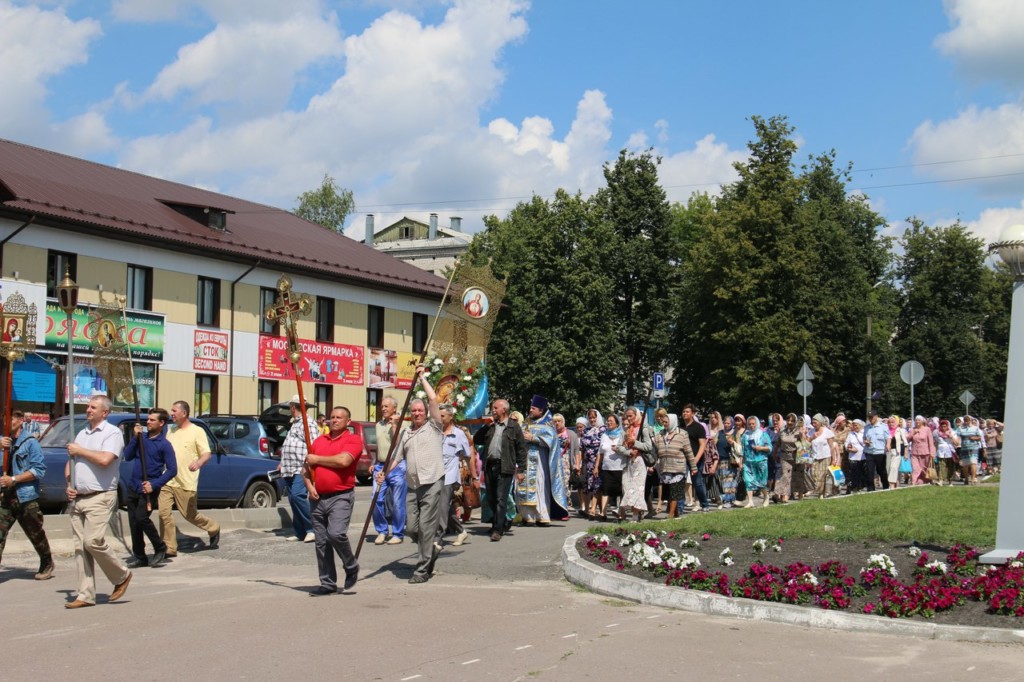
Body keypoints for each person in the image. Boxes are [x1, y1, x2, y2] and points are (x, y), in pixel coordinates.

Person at [64, 396, 132, 608]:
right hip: (79, 498)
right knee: (80, 548)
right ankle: (85, 594)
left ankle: (121, 575)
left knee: (92, 541)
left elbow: (104, 460)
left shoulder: (112, 433)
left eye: (93, 407)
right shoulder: (82, 433)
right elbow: (71, 462)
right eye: (88, 406)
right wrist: (69, 482)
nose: (88, 410)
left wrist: (79, 451)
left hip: (100, 496)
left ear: (105, 412)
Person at [394, 366, 445, 583]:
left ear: (425, 413)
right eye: (413, 411)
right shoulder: (406, 432)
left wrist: (422, 377)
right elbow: (396, 458)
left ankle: (422, 570)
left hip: (432, 482)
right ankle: (430, 549)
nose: (416, 413)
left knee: (425, 527)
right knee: (412, 528)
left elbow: (433, 399)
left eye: (420, 411)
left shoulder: (434, 426)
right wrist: (382, 474)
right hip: (413, 484)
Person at [303, 406, 361, 596]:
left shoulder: (353, 440)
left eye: (339, 417)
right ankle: (327, 582)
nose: (334, 420)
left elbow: (343, 461)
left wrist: (317, 459)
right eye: (332, 417)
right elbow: (306, 469)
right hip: (317, 498)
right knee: (321, 542)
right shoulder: (319, 441)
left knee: (336, 534)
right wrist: (309, 487)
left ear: (348, 422)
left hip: (341, 497)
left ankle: (350, 565)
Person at [160, 400, 221, 556]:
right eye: (171, 410)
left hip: (186, 481)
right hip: (167, 480)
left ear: (184, 413)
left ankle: (213, 528)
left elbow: (206, 453)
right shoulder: (170, 430)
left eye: (174, 411)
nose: (171, 413)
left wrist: (198, 463)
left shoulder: (197, 431)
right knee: (163, 513)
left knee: (190, 515)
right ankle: (169, 548)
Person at [0, 409, 55, 580]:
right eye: (4, 420)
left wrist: (14, 479)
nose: (7, 423)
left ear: (20, 420)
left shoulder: (31, 443)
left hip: (25, 496)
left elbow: (39, 470)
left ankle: (47, 562)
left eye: (10, 419)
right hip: (5, 497)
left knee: (35, 533)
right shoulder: (3, 442)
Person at [122, 408, 177, 568]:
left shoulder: (165, 445)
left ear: (161, 423)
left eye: (152, 420)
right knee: (133, 522)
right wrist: (135, 437)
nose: (148, 422)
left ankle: (160, 547)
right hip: (134, 485)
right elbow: (128, 455)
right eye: (148, 419)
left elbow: (173, 470)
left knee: (141, 518)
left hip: (149, 487)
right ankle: (140, 556)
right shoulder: (141, 438)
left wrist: (155, 484)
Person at [518, 394, 565, 526]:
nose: (530, 410)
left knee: (539, 486)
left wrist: (534, 438)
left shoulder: (548, 425)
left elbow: (553, 441)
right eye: (530, 408)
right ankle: (528, 516)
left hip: (540, 461)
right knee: (524, 487)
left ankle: (542, 515)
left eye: (533, 408)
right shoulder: (526, 423)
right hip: (525, 460)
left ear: (541, 411)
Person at [278, 396, 316, 543]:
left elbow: (313, 444)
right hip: (289, 467)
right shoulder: (295, 423)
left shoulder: (308, 423)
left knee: (297, 496)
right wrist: (282, 463)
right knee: (293, 500)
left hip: (301, 467)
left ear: (293, 407)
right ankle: (300, 531)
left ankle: (311, 528)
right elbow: (290, 444)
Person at [372, 396, 407, 545]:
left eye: (387, 406)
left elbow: (399, 445)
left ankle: (398, 533)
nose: (384, 409)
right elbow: (380, 446)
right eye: (382, 406)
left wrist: (395, 425)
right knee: (376, 499)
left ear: (394, 408)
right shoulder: (378, 425)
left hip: (397, 466)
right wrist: (374, 462)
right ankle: (382, 530)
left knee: (397, 502)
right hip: (381, 465)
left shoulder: (403, 424)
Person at [436, 403, 471, 548]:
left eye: (442, 416)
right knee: (445, 507)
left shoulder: (459, 434)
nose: (439, 418)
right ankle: (461, 530)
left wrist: (470, 475)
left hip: (450, 476)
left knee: (442, 507)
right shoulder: (435, 432)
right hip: (435, 475)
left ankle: (437, 538)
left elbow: (468, 455)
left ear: (451, 417)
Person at [653, 413, 695, 519]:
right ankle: (676, 514)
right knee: (669, 493)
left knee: (675, 492)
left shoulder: (682, 434)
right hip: (665, 467)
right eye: (664, 422)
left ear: (672, 422)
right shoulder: (660, 434)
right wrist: (652, 464)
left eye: (666, 422)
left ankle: (670, 515)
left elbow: (688, 451)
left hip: (678, 468)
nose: (664, 424)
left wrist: (693, 467)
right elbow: (655, 451)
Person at [618, 406, 655, 521]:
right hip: (628, 462)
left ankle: (634, 516)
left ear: (636, 415)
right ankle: (637, 513)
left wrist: (635, 442)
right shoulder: (625, 430)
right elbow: (619, 446)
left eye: (631, 416)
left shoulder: (643, 429)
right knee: (627, 487)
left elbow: (648, 446)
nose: (628, 418)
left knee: (637, 489)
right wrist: (629, 452)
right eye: (627, 416)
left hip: (640, 462)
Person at [681, 405, 709, 512]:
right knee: (681, 483)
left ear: (693, 414)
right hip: (683, 460)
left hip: (696, 459)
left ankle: (704, 504)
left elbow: (702, 444)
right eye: (683, 412)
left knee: (697, 482)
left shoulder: (698, 427)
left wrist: (696, 458)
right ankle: (680, 506)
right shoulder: (681, 428)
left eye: (687, 412)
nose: (685, 413)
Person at [597, 414, 625, 519]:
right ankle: (603, 513)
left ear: (617, 423)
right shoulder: (604, 435)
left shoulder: (622, 434)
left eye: (611, 421)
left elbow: (626, 449)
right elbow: (600, 452)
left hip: (619, 467)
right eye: (608, 421)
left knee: (620, 491)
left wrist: (618, 449)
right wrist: (597, 466)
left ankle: (621, 513)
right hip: (606, 467)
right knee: (605, 490)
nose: (608, 423)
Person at [578, 409, 605, 519]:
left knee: (596, 485)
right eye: (590, 417)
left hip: (598, 461)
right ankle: (587, 509)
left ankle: (594, 509)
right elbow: (581, 448)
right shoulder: (586, 430)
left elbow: (603, 447)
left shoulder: (602, 429)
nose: (592, 419)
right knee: (586, 486)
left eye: (594, 417)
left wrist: (597, 464)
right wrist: (579, 463)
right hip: (587, 462)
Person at [740, 416, 772, 508]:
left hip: (761, 460)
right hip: (749, 461)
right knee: (748, 481)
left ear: (757, 424)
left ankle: (766, 496)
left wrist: (761, 448)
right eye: (749, 424)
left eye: (753, 424)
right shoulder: (746, 435)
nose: (751, 425)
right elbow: (743, 449)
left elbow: (770, 447)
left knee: (761, 482)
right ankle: (750, 501)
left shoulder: (763, 434)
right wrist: (741, 461)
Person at [553, 413, 579, 514]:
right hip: (554, 461)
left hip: (565, 462)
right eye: (555, 421)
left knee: (565, 483)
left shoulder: (570, 433)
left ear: (563, 422)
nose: (557, 423)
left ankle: (565, 503)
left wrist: (577, 464)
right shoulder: (552, 433)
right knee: (555, 483)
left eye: (559, 421)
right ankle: (556, 504)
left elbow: (576, 450)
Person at [809, 413, 838, 498]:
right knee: (813, 475)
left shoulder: (827, 432)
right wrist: (812, 438)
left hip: (825, 456)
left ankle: (821, 493)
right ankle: (819, 491)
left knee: (822, 475)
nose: (813, 424)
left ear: (820, 422)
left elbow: (832, 447)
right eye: (812, 422)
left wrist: (833, 459)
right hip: (814, 456)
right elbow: (806, 443)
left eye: (815, 422)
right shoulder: (811, 432)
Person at [862, 411, 890, 491]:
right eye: (869, 417)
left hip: (880, 452)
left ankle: (885, 486)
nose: (870, 419)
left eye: (872, 417)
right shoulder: (866, 427)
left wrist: (888, 445)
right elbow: (864, 438)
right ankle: (870, 489)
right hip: (869, 452)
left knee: (881, 470)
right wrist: (865, 441)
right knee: (869, 471)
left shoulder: (883, 426)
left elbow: (888, 437)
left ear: (876, 417)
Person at [717, 415, 740, 507]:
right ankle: (727, 498)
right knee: (724, 480)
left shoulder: (735, 434)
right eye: (725, 423)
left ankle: (729, 499)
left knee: (731, 480)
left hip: (731, 460)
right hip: (721, 460)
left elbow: (740, 447)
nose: (726, 425)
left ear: (732, 424)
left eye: (728, 423)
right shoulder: (720, 433)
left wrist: (733, 443)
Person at [908, 415, 936, 486]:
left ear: (922, 421)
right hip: (914, 453)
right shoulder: (912, 429)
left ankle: (926, 481)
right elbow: (907, 439)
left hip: (925, 452)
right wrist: (913, 433)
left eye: (919, 420)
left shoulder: (927, 429)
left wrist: (932, 453)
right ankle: (913, 482)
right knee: (915, 468)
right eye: (916, 420)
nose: (917, 422)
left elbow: (931, 442)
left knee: (925, 469)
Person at [956, 415, 983, 485]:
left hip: (974, 447)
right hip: (964, 448)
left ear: (970, 420)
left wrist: (974, 438)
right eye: (965, 420)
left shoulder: (975, 428)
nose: (966, 422)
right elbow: (957, 437)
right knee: (965, 464)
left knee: (973, 463)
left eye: (968, 420)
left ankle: (973, 478)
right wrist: (956, 442)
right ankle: (966, 479)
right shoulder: (960, 428)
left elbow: (980, 438)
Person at [844, 419, 868, 493]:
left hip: (863, 456)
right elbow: (846, 443)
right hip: (853, 456)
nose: (854, 427)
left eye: (856, 425)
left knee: (862, 472)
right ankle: (854, 487)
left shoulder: (864, 433)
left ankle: (862, 486)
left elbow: (867, 443)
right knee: (853, 473)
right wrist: (849, 448)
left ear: (860, 425)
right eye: (853, 425)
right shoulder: (851, 434)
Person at [934, 419, 960, 485]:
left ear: (947, 426)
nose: (943, 428)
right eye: (942, 426)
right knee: (941, 465)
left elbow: (956, 443)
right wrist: (934, 451)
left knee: (950, 466)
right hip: (941, 451)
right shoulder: (937, 433)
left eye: (945, 426)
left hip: (950, 451)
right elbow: (936, 443)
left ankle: (950, 481)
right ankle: (941, 480)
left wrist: (951, 437)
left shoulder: (952, 432)